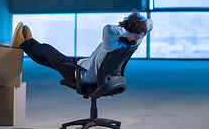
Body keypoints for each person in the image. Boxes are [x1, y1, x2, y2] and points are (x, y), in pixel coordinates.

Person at [10, 10, 153, 84]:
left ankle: (25, 42)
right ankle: (25, 44)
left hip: (80, 74)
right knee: (48, 60)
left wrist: (127, 31)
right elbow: (150, 23)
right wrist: (135, 30)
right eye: (138, 34)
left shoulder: (114, 44)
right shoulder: (133, 42)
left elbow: (108, 29)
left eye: (140, 35)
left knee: (47, 50)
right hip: (85, 64)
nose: (140, 37)